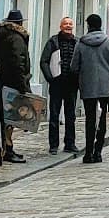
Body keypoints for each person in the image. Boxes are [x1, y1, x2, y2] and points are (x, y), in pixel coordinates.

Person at [71, 12, 109, 164]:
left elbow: (74, 66)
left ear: (88, 26)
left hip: (88, 86)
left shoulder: (81, 43)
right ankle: (98, 152)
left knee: (90, 119)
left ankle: (88, 153)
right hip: (105, 86)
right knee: (103, 118)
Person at [0, 8, 32, 163]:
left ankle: (5, 148)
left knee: (6, 117)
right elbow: (18, 62)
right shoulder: (16, 38)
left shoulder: (3, 35)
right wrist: (23, 85)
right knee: (11, 118)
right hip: (13, 82)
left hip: (3, 79)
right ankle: (7, 149)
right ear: (20, 23)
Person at [40, 15, 78, 155]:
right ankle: (53, 145)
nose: (68, 26)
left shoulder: (77, 42)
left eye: (70, 24)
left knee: (71, 115)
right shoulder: (53, 42)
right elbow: (44, 61)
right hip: (57, 84)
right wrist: (50, 78)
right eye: (65, 24)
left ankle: (70, 143)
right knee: (54, 115)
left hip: (71, 85)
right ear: (61, 26)